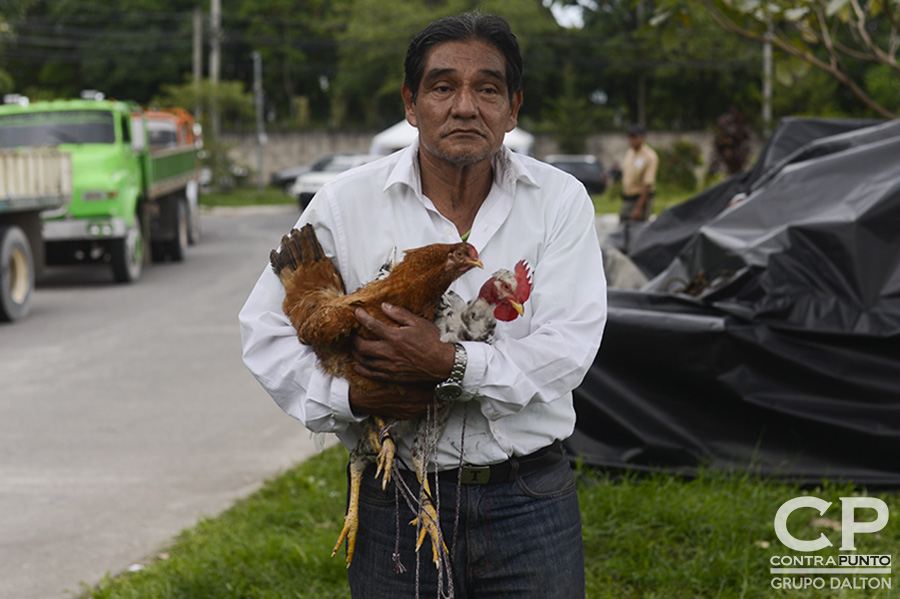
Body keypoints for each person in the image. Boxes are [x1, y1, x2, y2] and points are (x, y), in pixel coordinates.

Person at [239, 12, 606, 598]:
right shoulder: (344, 203)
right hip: (397, 493)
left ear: (513, 108)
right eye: (442, 87)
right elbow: (265, 330)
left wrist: (449, 364)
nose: (465, 106)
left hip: (528, 498)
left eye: (487, 89)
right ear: (411, 104)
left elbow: (569, 345)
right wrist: (352, 396)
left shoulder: (559, 201)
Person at [619, 124, 658, 223]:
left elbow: (647, 184)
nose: (632, 141)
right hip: (627, 198)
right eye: (630, 137)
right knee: (623, 229)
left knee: (637, 230)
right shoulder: (630, 153)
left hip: (640, 200)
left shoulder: (650, 156)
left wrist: (638, 209)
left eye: (635, 138)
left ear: (642, 138)